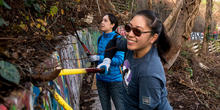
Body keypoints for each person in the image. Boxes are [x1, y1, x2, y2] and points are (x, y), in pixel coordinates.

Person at [97, 10, 173, 110]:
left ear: (153, 38)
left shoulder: (149, 74)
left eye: (137, 31)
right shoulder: (133, 45)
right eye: (128, 28)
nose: (130, 34)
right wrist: (107, 61)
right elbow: (114, 43)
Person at [89, 13, 125, 110]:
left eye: (105, 21)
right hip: (100, 80)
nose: (102, 23)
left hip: (114, 81)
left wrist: (99, 58)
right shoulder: (100, 38)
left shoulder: (118, 40)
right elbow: (100, 58)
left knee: (120, 107)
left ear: (112, 25)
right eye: (102, 20)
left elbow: (119, 60)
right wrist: (94, 59)